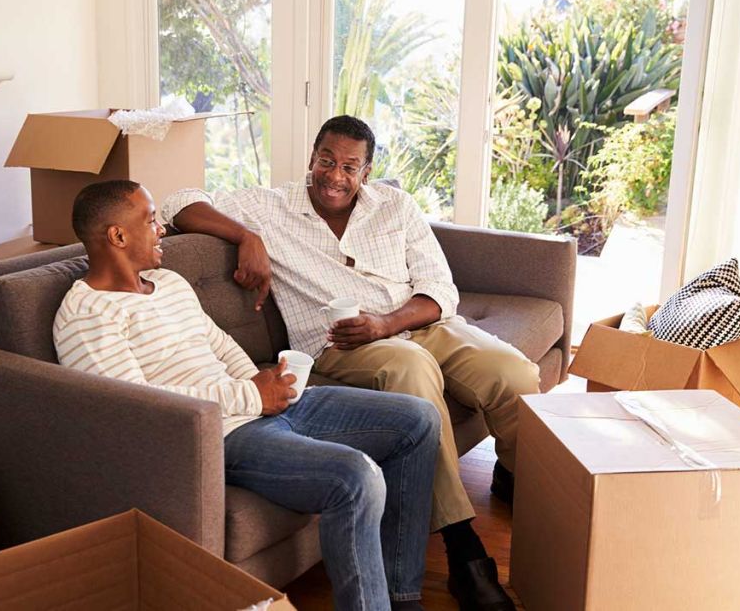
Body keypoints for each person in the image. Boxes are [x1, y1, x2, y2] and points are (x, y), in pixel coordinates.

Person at [162, 115, 538, 610]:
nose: (335, 176)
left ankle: (510, 473)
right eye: (326, 161)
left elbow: (440, 288)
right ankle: (462, 545)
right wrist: (246, 237)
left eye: (349, 166)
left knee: (514, 373)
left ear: (367, 170)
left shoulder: (395, 206)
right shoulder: (267, 208)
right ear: (311, 158)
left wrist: (389, 320)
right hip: (345, 345)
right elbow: (176, 203)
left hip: (419, 321)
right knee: (410, 369)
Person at [54, 180, 441, 611]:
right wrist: (250, 396)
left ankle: (401, 595)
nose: (161, 228)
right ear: (118, 236)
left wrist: (271, 387)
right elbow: (138, 406)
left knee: (418, 419)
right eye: (150, 220)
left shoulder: (167, 283)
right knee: (355, 477)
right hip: (221, 435)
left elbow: (220, 345)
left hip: (259, 407)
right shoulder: (86, 314)